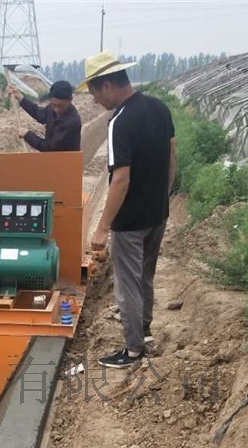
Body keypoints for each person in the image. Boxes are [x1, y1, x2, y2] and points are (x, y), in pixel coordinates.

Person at [77, 51, 177, 369]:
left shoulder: (120, 121)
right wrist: (163, 195)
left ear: (107, 85)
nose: (94, 101)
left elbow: (120, 179)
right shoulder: (159, 108)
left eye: (94, 92)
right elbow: (172, 156)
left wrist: (102, 227)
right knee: (145, 277)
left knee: (128, 285)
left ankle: (133, 350)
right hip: (157, 212)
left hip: (131, 220)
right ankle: (144, 332)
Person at [7, 80, 81, 152]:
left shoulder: (72, 122)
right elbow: (39, 114)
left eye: (61, 106)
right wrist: (20, 98)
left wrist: (27, 135)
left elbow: (50, 148)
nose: (56, 110)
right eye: (54, 105)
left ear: (70, 100)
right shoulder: (52, 108)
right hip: (52, 159)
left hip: (67, 161)